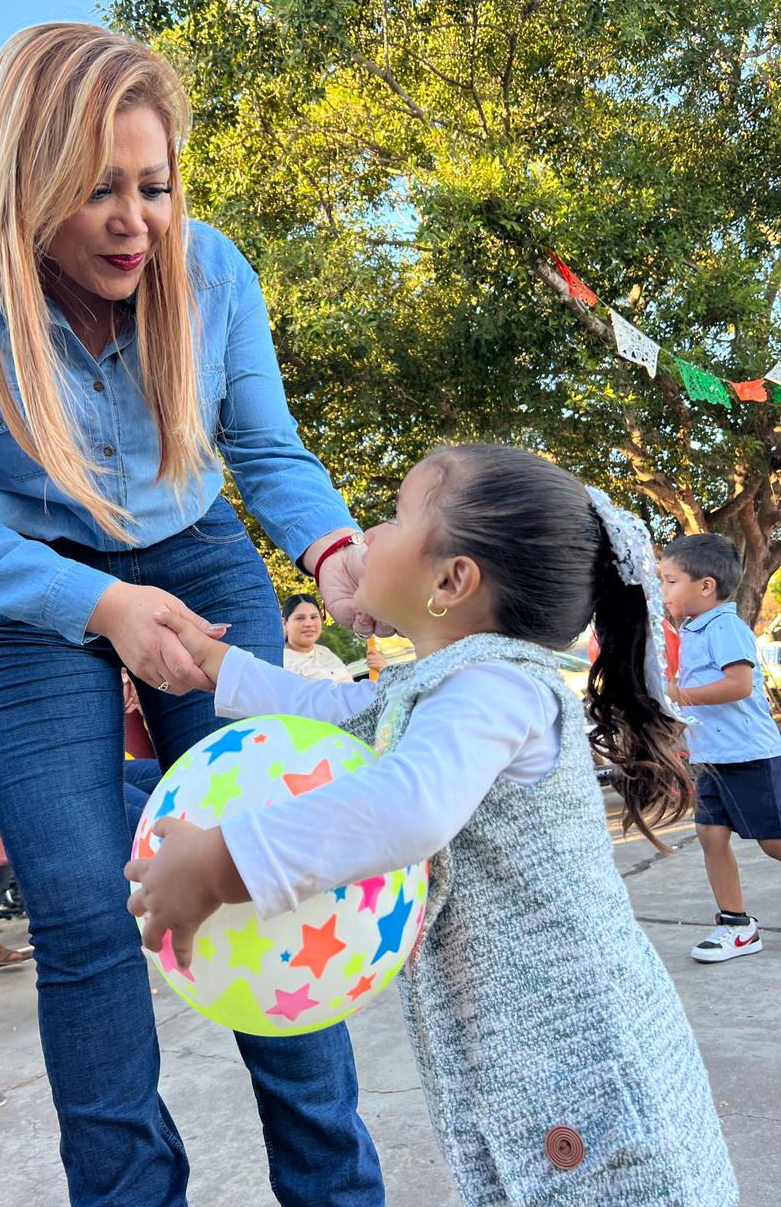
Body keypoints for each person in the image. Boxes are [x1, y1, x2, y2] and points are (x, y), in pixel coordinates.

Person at [0, 23, 388, 1207]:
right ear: (23, 176)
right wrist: (98, 603)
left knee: (271, 879)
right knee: (81, 905)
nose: (135, 220)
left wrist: (335, 547)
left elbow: (264, 447)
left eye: (153, 186)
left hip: (198, 555)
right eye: (95, 188)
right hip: (20, 575)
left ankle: (335, 1189)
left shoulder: (212, 271)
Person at [129, 443, 739, 1207]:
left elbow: (407, 806)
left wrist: (225, 864)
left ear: (453, 581)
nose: (369, 536)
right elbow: (341, 714)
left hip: (581, 1058)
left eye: (393, 515)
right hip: (520, 1055)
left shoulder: (496, 688)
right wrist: (218, 665)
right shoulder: (444, 685)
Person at [660, 533, 781, 962]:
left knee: (773, 842)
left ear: (705, 586)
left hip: (749, 755)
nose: (663, 591)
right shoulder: (693, 629)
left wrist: (678, 695)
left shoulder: (725, 626)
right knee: (711, 836)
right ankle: (737, 926)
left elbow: (739, 684)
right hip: (712, 758)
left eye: (670, 581)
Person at [282, 592, 355, 681]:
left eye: (313, 617)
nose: (309, 624)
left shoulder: (326, 653)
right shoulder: (279, 661)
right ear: (284, 624)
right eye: (300, 618)